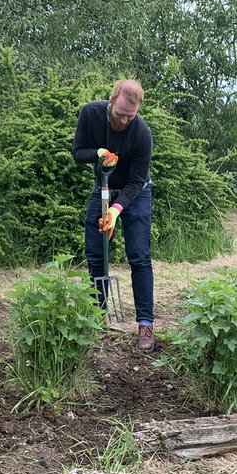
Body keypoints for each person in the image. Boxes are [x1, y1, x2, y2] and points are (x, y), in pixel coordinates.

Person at [72, 79, 156, 352]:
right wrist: (98, 153)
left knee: (139, 256)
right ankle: (98, 316)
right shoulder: (90, 114)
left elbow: (136, 182)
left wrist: (116, 211)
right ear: (111, 102)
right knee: (96, 253)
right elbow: (78, 153)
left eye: (130, 116)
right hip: (103, 187)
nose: (124, 121)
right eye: (120, 114)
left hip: (136, 193)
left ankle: (145, 324)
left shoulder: (142, 133)